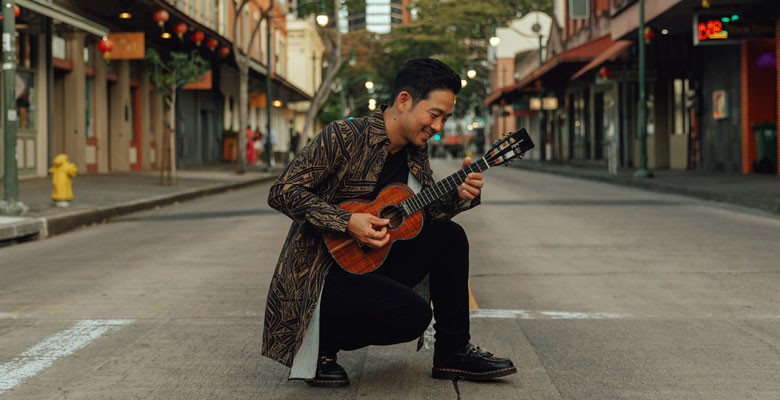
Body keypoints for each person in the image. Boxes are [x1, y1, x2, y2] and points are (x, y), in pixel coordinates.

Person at [263, 58, 516, 388]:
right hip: (323, 275)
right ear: (404, 100)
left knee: (449, 236)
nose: (438, 126)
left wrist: (460, 196)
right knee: (413, 316)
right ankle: (322, 345)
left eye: (446, 118)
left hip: (372, 263)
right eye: (434, 114)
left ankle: (452, 351)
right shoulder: (344, 136)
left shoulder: (415, 151)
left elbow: (418, 219)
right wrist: (346, 221)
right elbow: (282, 191)